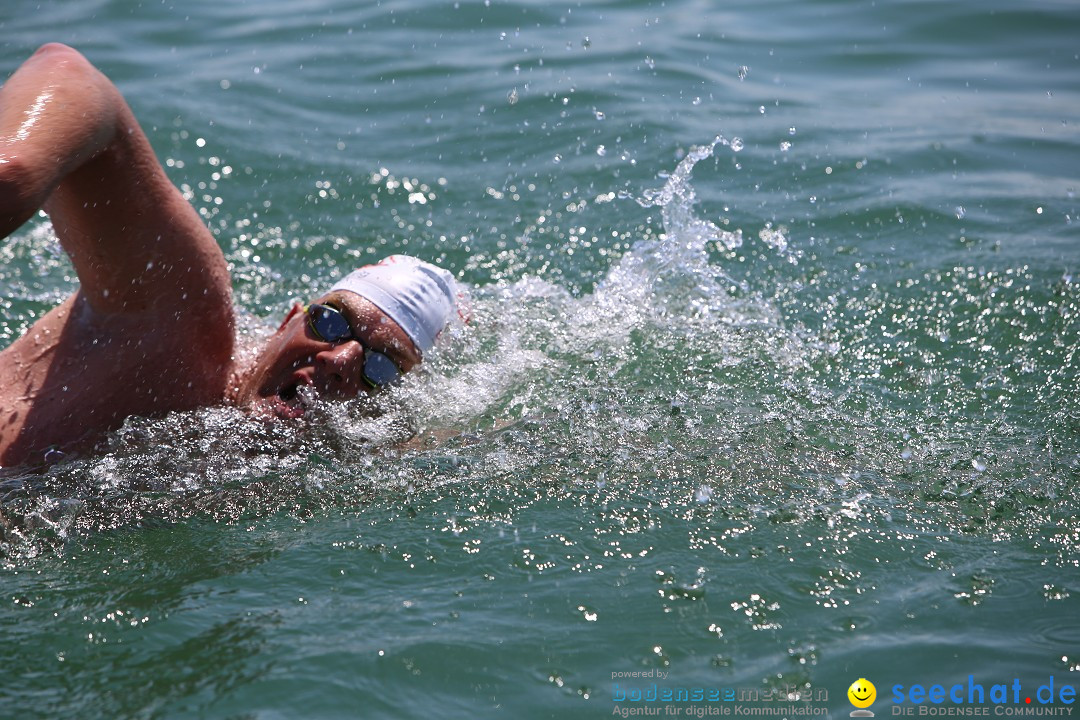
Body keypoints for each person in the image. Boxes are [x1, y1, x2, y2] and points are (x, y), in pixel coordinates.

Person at [0, 44, 461, 467]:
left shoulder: (289, 477)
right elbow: (71, 77)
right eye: (331, 323)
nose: (339, 361)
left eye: (378, 367)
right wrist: (12, 180)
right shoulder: (185, 327)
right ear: (288, 320)